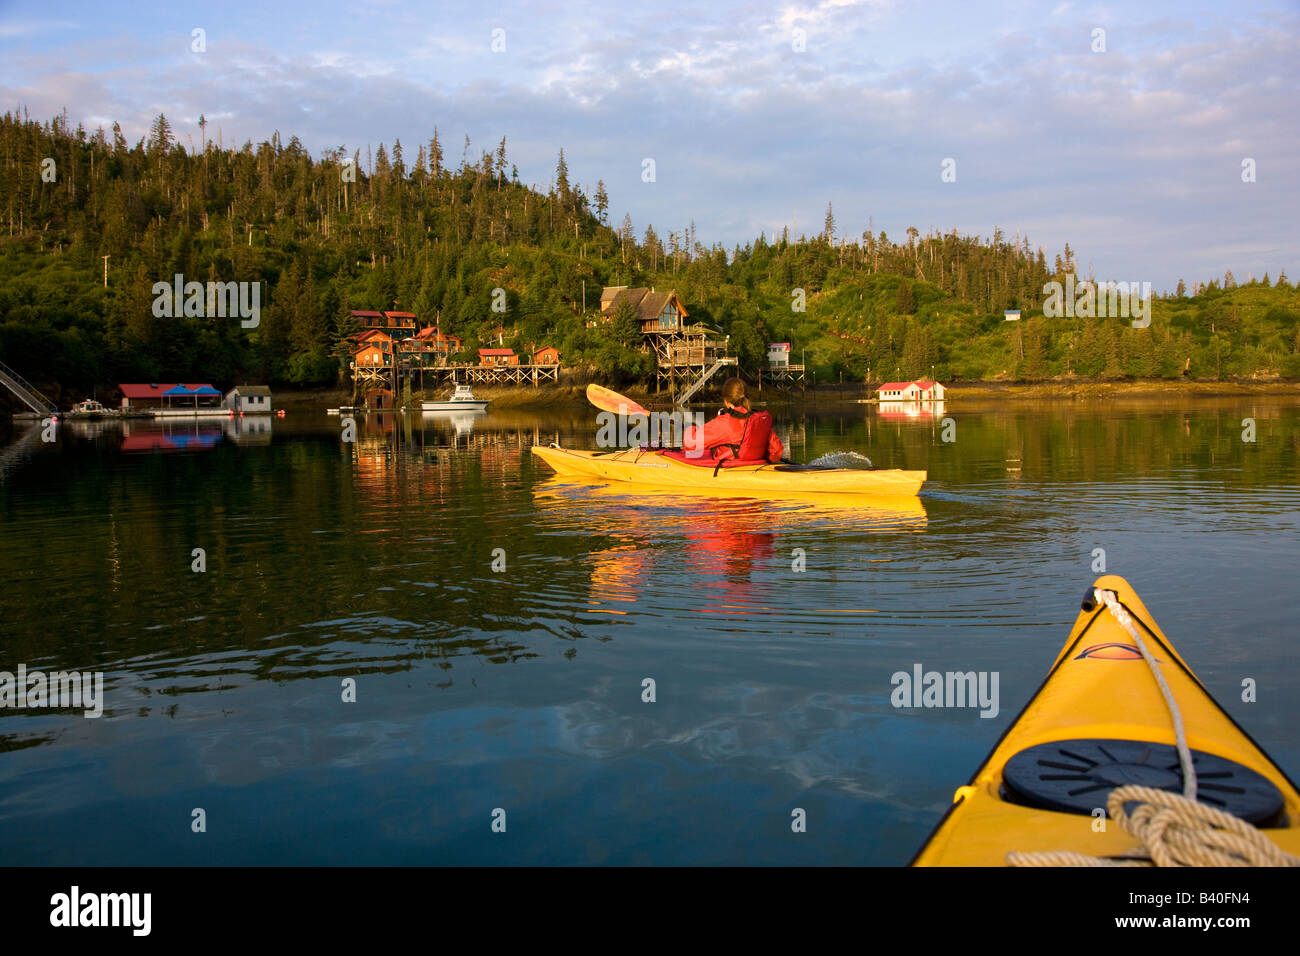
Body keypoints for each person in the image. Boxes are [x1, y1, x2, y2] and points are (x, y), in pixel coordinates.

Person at [681, 377, 783, 463]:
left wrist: (691, 427)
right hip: (755, 465)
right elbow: (777, 451)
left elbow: (690, 443)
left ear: (726, 401)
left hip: (733, 467)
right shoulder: (759, 420)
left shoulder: (725, 422)